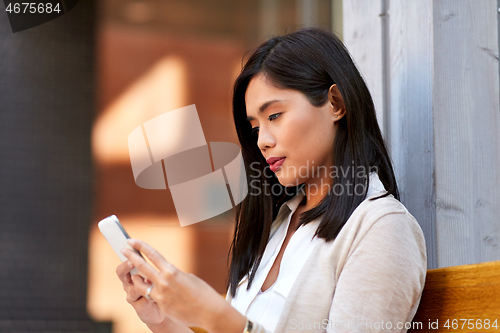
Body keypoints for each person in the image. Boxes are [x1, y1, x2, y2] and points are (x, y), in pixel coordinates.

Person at [117, 27, 427, 333]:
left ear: (336, 103)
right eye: (254, 128)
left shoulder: (382, 228)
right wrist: (163, 320)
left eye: (275, 115)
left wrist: (218, 318)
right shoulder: (278, 223)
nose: (262, 141)